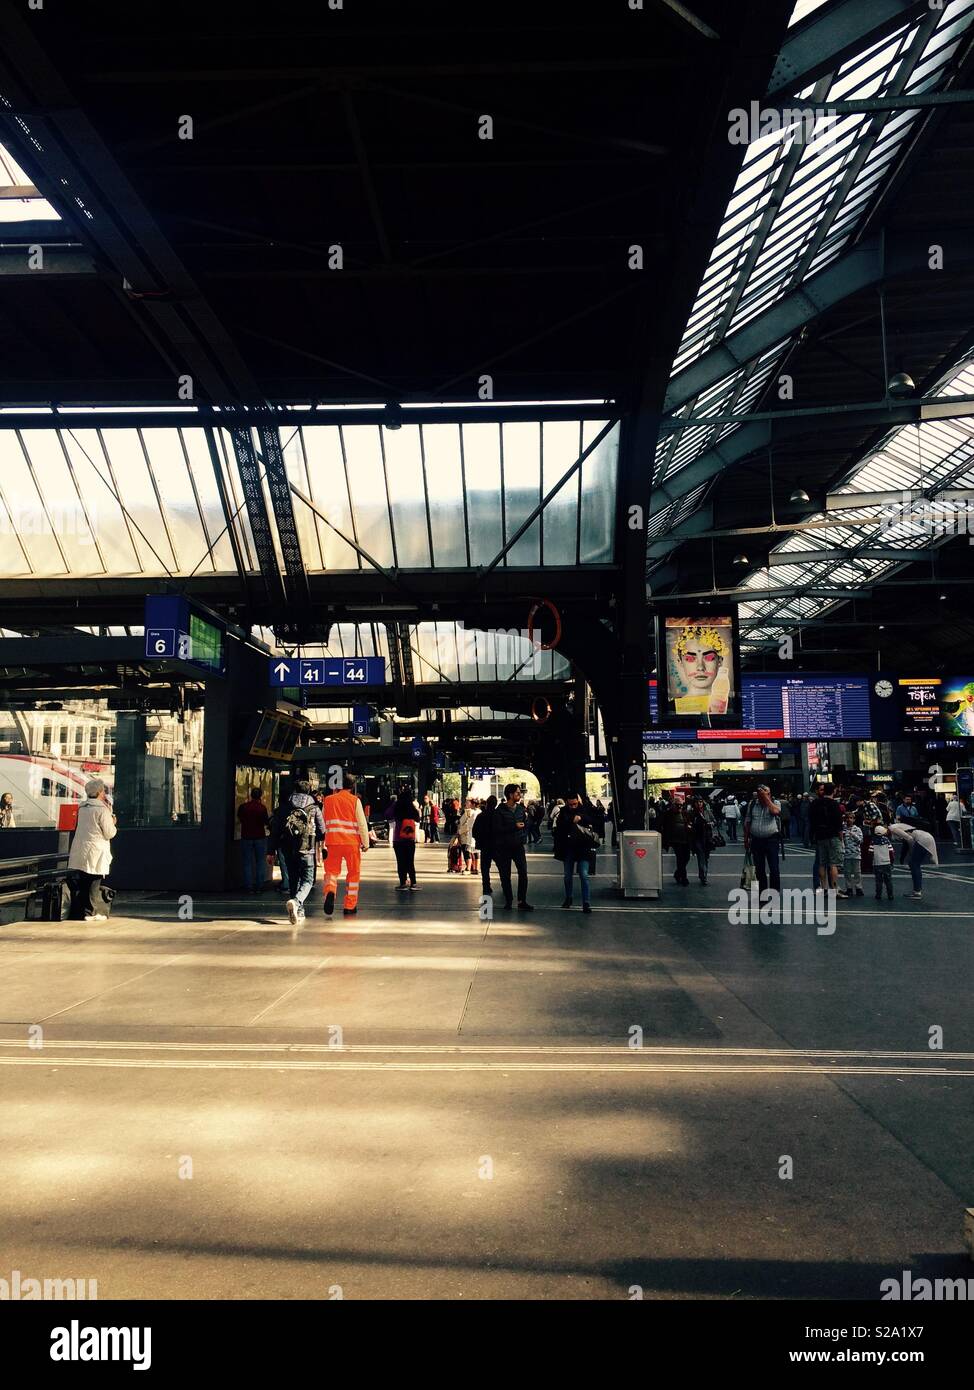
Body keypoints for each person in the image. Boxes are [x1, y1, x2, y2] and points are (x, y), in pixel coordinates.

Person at [268, 779, 326, 925]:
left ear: (295, 790)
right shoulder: (314, 808)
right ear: (308, 791)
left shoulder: (285, 807)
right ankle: (296, 901)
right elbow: (322, 830)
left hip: (288, 849)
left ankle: (298, 910)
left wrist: (270, 851)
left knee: (293, 879)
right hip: (307, 849)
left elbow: (275, 831)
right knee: (307, 880)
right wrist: (316, 839)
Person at [67, 778, 117, 921]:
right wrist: (113, 823)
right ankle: (91, 912)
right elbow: (109, 833)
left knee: (84, 881)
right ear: (100, 792)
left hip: (82, 848)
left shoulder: (82, 808)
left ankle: (84, 911)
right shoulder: (102, 810)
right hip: (96, 849)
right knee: (94, 881)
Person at [322, 771, 370, 916]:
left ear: (339, 785)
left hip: (332, 842)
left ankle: (330, 891)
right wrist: (366, 843)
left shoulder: (328, 800)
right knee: (353, 874)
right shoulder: (355, 801)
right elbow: (362, 824)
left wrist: (322, 842)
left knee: (331, 872)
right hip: (351, 844)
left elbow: (322, 822)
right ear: (353, 786)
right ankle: (350, 906)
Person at [552, 792, 596, 914]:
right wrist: (573, 820)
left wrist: (581, 818)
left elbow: (594, 819)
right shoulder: (563, 812)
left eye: (575, 804)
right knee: (567, 876)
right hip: (569, 847)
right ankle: (569, 898)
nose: (573, 806)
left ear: (578, 801)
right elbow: (560, 827)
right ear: (567, 802)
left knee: (584, 875)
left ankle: (586, 902)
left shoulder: (584, 809)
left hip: (583, 847)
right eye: (571, 804)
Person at [492, 783, 533, 910]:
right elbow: (497, 829)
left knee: (523, 873)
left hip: (518, 846)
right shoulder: (499, 811)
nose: (519, 795)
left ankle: (522, 901)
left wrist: (523, 836)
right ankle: (509, 900)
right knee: (505, 875)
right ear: (510, 795)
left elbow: (526, 824)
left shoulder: (521, 809)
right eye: (517, 793)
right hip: (504, 847)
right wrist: (514, 827)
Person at [744, 784, 782, 895]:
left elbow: (775, 812)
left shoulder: (775, 803)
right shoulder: (752, 804)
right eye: (763, 793)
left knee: (774, 868)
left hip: (771, 840)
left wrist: (766, 798)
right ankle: (762, 892)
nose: (766, 794)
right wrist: (746, 840)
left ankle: (774, 892)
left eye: (768, 793)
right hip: (756, 840)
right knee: (760, 869)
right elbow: (747, 822)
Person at [889, 822, 938, 900]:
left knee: (914, 864)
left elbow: (909, 839)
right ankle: (917, 890)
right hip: (925, 836)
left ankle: (917, 891)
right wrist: (903, 857)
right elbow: (906, 843)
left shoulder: (892, 828)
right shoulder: (896, 827)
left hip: (922, 838)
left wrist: (911, 852)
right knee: (914, 864)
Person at [808, 784, 842, 894]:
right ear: (834, 791)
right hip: (832, 835)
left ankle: (823, 888)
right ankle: (834, 889)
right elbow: (838, 823)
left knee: (821, 863)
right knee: (833, 864)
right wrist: (841, 837)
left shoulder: (815, 803)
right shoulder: (834, 804)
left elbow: (811, 820)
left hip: (820, 835)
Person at [386, 786, 420, 891]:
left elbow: (387, 814)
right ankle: (413, 883)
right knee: (410, 861)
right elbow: (418, 818)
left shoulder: (396, 806)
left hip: (398, 839)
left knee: (401, 862)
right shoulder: (411, 807)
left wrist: (395, 804)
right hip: (410, 839)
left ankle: (403, 883)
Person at [237, 787, 270, 894]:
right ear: (260, 796)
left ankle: (249, 886)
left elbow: (240, 818)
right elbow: (266, 822)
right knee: (260, 861)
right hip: (259, 836)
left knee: (247, 862)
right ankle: (259, 885)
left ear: (251, 795)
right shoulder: (262, 808)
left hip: (246, 836)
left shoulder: (243, 807)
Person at [661, 795, 692, 887]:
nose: (680, 807)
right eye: (678, 805)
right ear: (673, 805)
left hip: (685, 839)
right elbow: (662, 825)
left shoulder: (685, 813)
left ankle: (678, 874)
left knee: (686, 857)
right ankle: (683, 877)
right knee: (680, 858)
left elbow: (689, 823)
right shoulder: (668, 814)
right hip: (675, 840)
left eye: (681, 805)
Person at [688, 795, 717, 885]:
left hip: (707, 838)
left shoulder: (707, 812)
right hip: (697, 838)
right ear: (694, 803)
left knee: (706, 857)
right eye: (697, 802)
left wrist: (710, 824)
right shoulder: (692, 813)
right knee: (701, 857)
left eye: (700, 802)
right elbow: (689, 824)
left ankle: (703, 875)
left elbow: (714, 821)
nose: (699, 804)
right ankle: (703, 876)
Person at [473, 795, 497, 896]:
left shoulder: (481, 816)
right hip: (497, 845)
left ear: (487, 803)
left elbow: (474, 831)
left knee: (485, 867)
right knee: (502, 867)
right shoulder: (498, 815)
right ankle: (506, 886)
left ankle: (486, 887)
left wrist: (480, 840)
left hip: (484, 846)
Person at [838, 813, 863, 899]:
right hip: (846, 854)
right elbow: (840, 840)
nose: (849, 820)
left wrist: (854, 835)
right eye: (847, 818)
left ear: (854, 819)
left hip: (856, 854)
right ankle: (849, 888)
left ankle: (858, 888)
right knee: (847, 873)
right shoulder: (843, 829)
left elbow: (860, 840)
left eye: (851, 818)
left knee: (857, 872)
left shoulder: (857, 829)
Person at [870, 824, 894, 901]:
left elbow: (870, 852)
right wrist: (891, 861)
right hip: (886, 862)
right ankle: (890, 895)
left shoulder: (873, 841)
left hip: (877, 863)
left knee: (878, 880)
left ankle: (878, 895)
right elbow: (891, 852)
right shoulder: (887, 840)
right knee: (888, 880)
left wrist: (872, 861)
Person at [457, 798, 480, 875]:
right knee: (475, 852)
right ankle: (476, 868)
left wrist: (459, 832)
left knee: (468, 852)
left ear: (472, 804)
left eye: (467, 803)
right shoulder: (479, 811)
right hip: (473, 834)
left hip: (468, 835)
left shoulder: (471, 812)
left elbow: (468, 824)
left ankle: (469, 868)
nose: (465, 805)